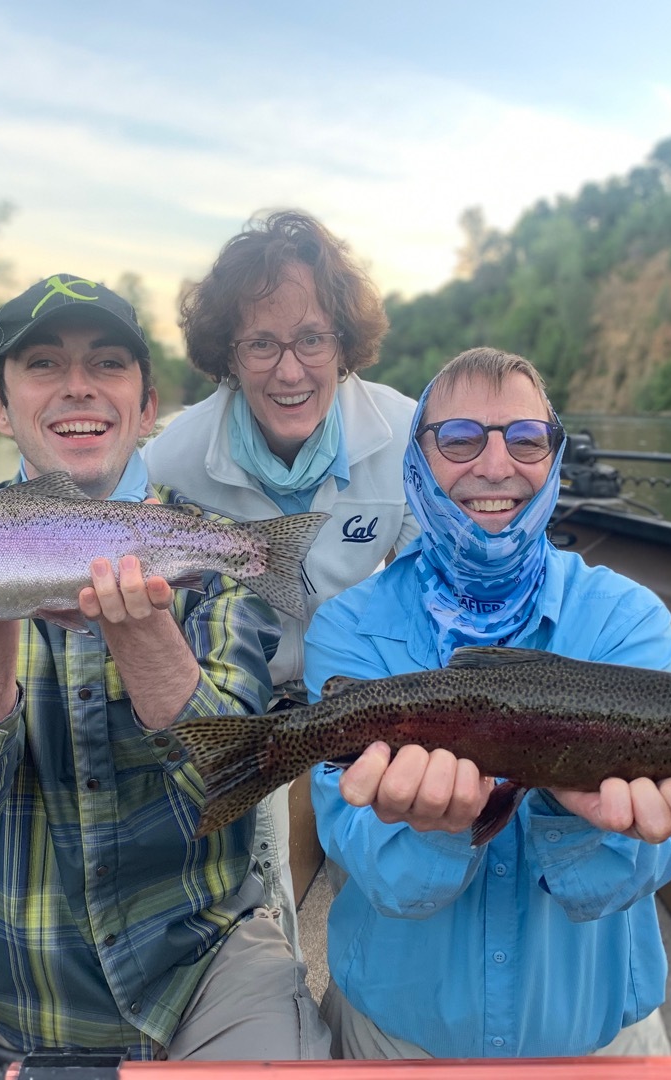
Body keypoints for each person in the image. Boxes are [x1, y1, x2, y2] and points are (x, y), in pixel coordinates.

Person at [0, 274, 329, 1061]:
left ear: (145, 407)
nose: (77, 387)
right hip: (36, 998)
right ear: (0, 406)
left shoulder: (211, 546)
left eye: (107, 363)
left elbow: (233, 787)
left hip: (209, 968)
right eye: (42, 365)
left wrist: (145, 643)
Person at [304, 347, 671, 1060]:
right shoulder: (347, 628)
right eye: (459, 439)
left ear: (553, 456)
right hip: (398, 1038)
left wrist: (564, 806)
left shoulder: (628, 620)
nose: (494, 465)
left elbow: (627, 876)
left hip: (597, 1036)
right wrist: (439, 828)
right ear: (417, 460)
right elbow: (377, 873)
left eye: (525, 439)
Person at [142, 211, 420, 953]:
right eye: (261, 343)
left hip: (360, 690)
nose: (290, 369)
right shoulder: (171, 460)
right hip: (235, 692)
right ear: (228, 357)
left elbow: (431, 593)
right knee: (251, 907)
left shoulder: (408, 438)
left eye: (311, 339)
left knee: (393, 871)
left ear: (344, 344)